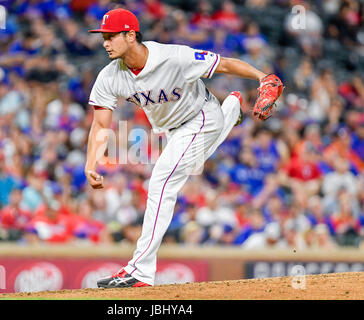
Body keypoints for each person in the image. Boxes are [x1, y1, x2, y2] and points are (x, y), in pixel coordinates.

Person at [84, 8, 283, 288]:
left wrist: (264, 77)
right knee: (187, 165)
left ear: (130, 35)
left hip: (200, 115)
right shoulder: (109, 76)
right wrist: (90, 163)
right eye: (103, 37)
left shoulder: (173, 57)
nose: (105, 42)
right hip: (172, 131)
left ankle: (139, 271)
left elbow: (224, 64)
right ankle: (233, 107)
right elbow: (100, 124)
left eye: (110, 36)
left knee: (163, 179)